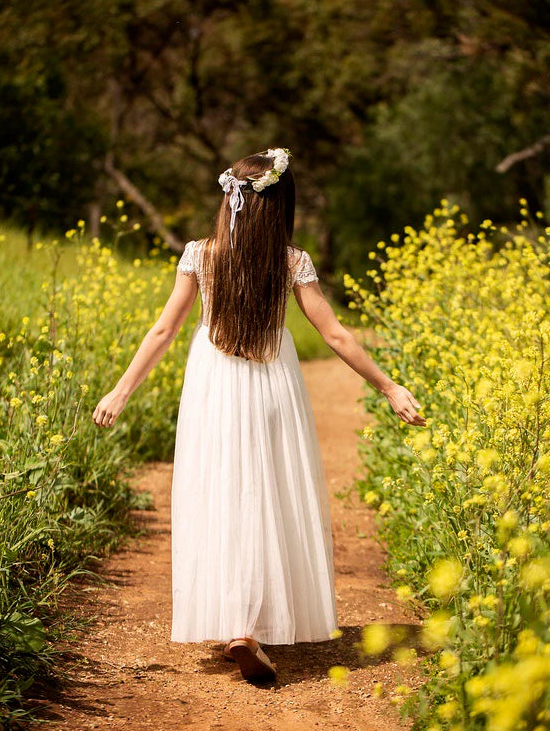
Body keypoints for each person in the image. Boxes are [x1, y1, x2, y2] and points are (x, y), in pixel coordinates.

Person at [92, 147, 426, 684]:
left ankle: (236, 624)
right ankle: (251, 625)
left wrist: (120, 391)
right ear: (281, 205)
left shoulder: (200, 255)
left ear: (230, 199)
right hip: (273, 385)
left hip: (213, 386)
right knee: (265, 492)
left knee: (220, 492)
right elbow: (335, 333)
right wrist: (389, 387)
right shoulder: (292, 261)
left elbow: (164, 331)